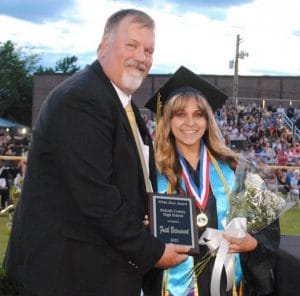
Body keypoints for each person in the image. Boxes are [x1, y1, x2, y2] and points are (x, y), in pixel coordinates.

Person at [3, 9, 189, 296]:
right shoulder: (82, 99)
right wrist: (152, 251)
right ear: (103, 46)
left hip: (96, 271)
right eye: (132, 45)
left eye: (149, 50)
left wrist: (149, 214)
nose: (141, 57)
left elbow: (124, 182)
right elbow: (97, 198)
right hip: (65, 276)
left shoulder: (120, 104)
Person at [145, 66, 280, 296]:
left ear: (208, 120)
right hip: (173, 287)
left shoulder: (235, 168)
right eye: (180, 114)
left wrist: (253, 243)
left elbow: (268, 226)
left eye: (198, 114)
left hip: (229, 286)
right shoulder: (151, 171)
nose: (190, 122)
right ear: (167, 119)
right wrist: (146, 227)